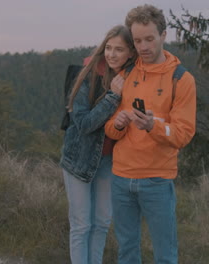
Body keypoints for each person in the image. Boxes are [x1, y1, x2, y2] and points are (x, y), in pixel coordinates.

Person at [104, 5, 197, 264]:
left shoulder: (181, 79)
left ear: (163, 35)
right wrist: (119, 123)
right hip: (121, 177)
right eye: (137, 41)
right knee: (127, 251)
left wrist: (152, 126)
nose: (143, 47)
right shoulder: (126, 73)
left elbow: (183, 134)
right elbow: (110, 129)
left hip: (157, 180)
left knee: (165, 255)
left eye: (149, 39)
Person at [59, 25, 136, 264]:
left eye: (119, 50)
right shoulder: (89, 74)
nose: (112, 54)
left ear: (130, 53)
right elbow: (82, 123)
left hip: (110, 162)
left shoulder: (133, 78)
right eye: (109, 48)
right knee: (82, 224)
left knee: (102, 223)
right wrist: (112, 97)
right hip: (79, 160)